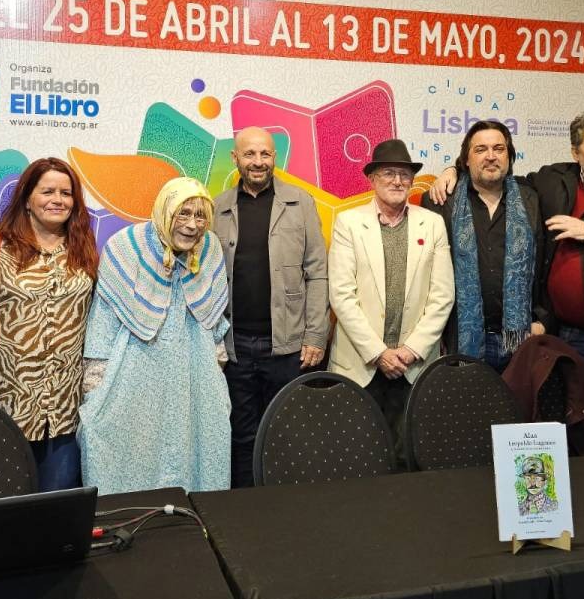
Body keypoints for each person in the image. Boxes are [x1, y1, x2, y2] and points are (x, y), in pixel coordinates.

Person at [430, 110, 584, 452]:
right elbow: (490, 171)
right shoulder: (554, 183)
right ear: (575, 151)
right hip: (571, 338)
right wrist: (452, 169)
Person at [77, 177, 231, 494]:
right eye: (183, 214)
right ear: (164, 211)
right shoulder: (124, 247)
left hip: (194, 374)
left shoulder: (211, 247)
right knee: (131, 452)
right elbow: (104, 319)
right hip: (134, 372)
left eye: (200, 215)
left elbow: (214, 317)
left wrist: (217, 366)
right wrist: (95, 386)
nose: (192, 225)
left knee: (198, 448)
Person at [213, 126, 329, 488]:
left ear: (275, 157)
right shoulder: (218, 206)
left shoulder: (300, 201)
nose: (258, 162)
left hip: (289, 345)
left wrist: (315, 335)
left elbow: (318, 271)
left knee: (289, 432)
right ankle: (246, 509)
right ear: (236, 158)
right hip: (235, 347)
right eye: (250, 155)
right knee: (241, 435)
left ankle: (286, 509)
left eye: (265, 154)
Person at [327, 139, 453, 465]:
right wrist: (379, 352)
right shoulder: (349, 223)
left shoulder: (433, 223)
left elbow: (442, 296)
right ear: (372, 179)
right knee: (357, 456)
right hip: (361, 364)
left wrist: (410, 350)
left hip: (414, 365)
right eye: (388, 174)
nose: (397, 181)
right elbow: (341, 295)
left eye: (404, 174)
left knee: (409, 457)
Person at [0, 158, 98, 492]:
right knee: (5, 508)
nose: (57, 199)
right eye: (47, 191)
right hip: (7, 404)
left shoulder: (83, 249)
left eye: (66, 192)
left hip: (65, 407)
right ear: (27, 198)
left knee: (57, 512)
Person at [420, 120, 549, 371]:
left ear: (510, 156)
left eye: (499, 149)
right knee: (466, 410)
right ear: (465, 160)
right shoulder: (441, 201)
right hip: (457, 340)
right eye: (480, 150)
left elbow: (547, 264)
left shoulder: (531, 198)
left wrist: (543, 319)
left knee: (515, 410)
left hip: (519, 339)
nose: (490, 156)